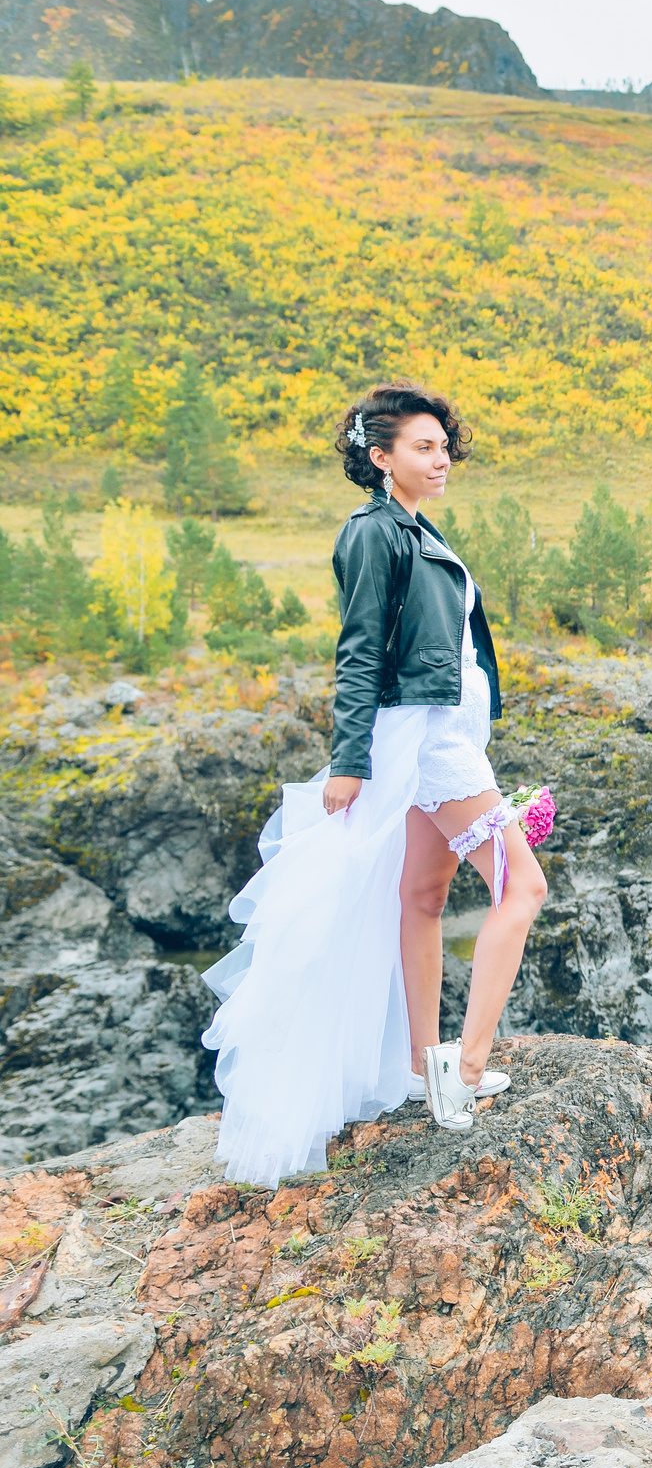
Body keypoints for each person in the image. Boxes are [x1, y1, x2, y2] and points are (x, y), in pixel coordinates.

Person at [202, 382, 549, 1185]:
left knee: (423, 896)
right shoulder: (373, 532)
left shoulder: (414, 527)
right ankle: (466, 1067)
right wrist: (351, 760)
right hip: (428, 743)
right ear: (380, 456)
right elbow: (359, 648)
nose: (441, 459)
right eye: (423, 448)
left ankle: (428, 1067)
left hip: (441, 736)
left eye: (444, 446)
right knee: (523, 888)